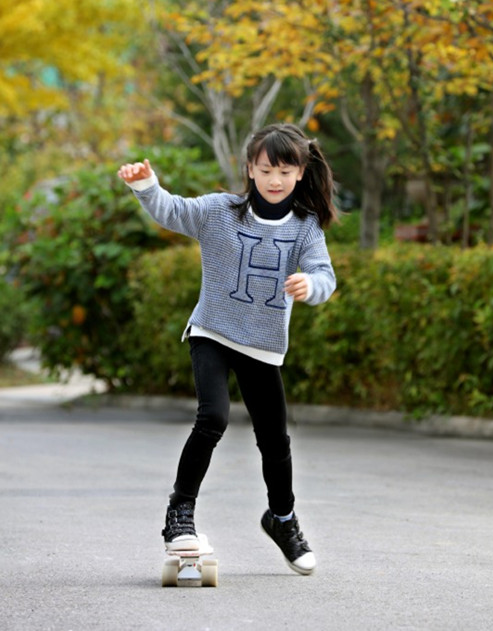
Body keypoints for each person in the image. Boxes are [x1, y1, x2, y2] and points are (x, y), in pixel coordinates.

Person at [117, 123, 337, 575]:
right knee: (212, 416)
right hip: (212, 332)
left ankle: (282, 520)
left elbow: (325, 277)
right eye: (266, 169)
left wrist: (310, 284)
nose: (275, 180)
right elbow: (172, 210)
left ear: (300, 173)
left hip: (263, 346)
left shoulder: (305, 227)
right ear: (250, 170)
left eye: (284, 170)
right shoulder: (220, 211)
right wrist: (146, 186)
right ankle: (180, 513)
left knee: (275, 441)